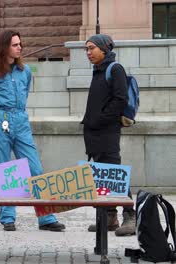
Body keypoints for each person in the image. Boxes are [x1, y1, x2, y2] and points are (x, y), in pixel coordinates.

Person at [0, 30, 66, 232]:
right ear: (4, 48)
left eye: (20, 44)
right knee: (4, 169)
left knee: (35, 167)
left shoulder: (25, 71)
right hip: (1, 119)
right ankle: (8, 217)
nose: (20, 47)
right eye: (15, 44)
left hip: (21, 118)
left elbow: (25, 92)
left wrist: (15, 116)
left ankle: (46, 217)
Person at [83, 34, 135, 236]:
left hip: (107, 131)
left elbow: (120, 99)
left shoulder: (115, 69)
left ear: (104, 49)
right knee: (102, 174)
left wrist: (100, 120)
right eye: (86, 49)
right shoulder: (98, 70)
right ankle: (109, 216)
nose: (88, 52)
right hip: (95, 133)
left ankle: (130, 216)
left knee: (114, 174)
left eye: (91, 48)